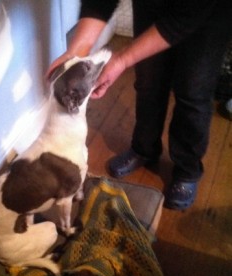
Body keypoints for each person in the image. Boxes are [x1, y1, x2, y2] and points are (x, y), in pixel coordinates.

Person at [47, 0, 232, 210]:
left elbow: (187, 15)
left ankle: (187, 169)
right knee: (148, 81)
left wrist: (123, 59)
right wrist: (77, 50)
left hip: (208, 14)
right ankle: (144, 148)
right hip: (151, 6)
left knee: (193, 91)